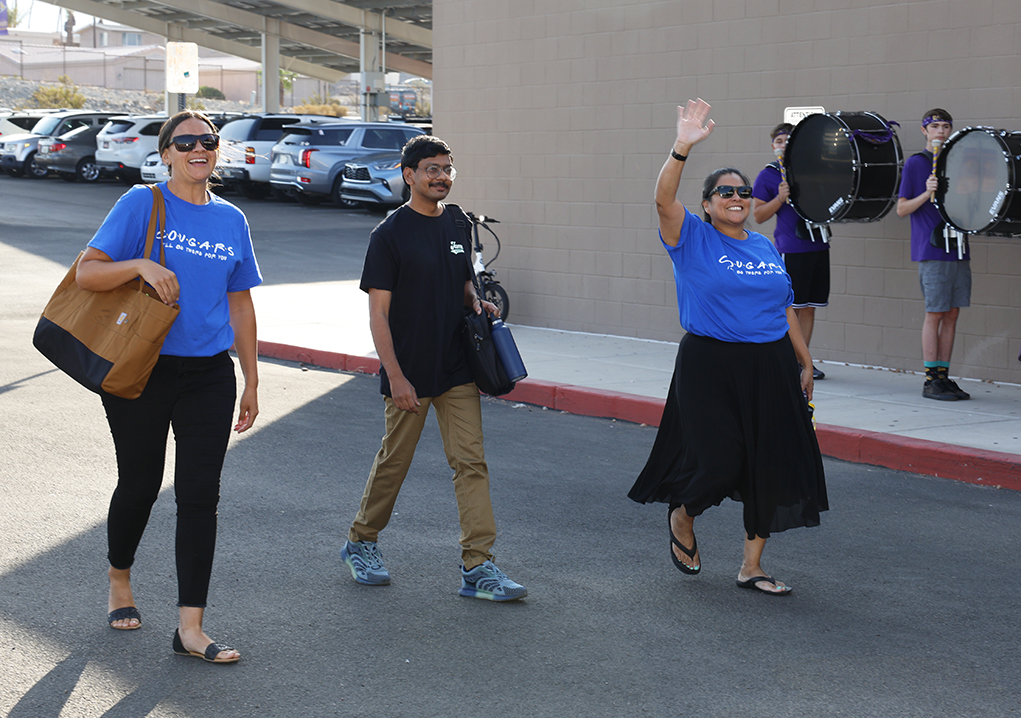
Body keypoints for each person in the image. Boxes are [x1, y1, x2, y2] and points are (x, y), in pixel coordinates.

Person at [76, 110, 262, 663]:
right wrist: (138, 265)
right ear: (166, 153)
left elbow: (241, 300)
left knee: (200, 496)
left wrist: (251, 377)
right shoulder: (141, 203)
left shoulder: (232, 219)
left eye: (207, 141)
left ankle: (191, 629)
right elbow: (87, 272)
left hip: (209, 373)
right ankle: (119, 578)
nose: (198, 149)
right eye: (185, 142)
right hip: (142, 367)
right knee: (139, 484)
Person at [627, 99, 828, 595]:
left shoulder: (762, 246)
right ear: (708, 204)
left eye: (741, 191)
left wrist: (804, 363)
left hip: (771, 363)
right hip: (710, 362)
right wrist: (682, 147)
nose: (736, 197)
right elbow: (661, 201)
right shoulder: (691, 237)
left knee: (770, 462)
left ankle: (751, 567)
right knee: (721, 458)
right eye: (725, 192)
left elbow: (785, 310)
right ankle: (684, 513)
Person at [341, 135, 526, 602]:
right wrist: (397, 376)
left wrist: (476, 300)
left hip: (457, 367)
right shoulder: (389, 236)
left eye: (447, 169)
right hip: (410, 371)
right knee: (395, 461)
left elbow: (462, 283)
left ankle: (478, 565)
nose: (441, 176)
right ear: (409, 175)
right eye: (432, 169)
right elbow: (378, 315)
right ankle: (361, 541)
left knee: (471, 462)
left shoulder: (459, 223)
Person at [896, 108, 971, 401]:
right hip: (932, 248)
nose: (941, 131)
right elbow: (902, 209)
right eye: (935, 126)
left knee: (952, 314)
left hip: (958, 247)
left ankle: (944, 375)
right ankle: (930, 379)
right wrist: (926, 193)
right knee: (935, 312)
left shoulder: (955, 161)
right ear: (925, 131)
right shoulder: (917, 164)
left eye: (945, 126)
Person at [752, 122, 831, 380]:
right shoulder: (769, 175)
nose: (784, 145)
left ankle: (803, 360)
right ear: (773, 145)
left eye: (789, 140)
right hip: (791, 247)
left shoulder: (812, 171)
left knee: (809, 307)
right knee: (792, 307)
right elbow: (759, 215)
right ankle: (789, 360)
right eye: (779, 141)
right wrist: (779, 198)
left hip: (817, 244)